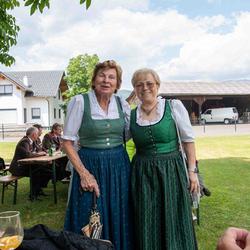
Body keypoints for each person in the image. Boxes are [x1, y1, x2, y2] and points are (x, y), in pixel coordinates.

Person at [62, 60, 133, 250]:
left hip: (119, 166)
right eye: (102, 75)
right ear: (94, 80)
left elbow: (128, 133)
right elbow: (67, 142)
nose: (106, 80)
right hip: (89, 166)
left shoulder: (122, 104)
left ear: (117, 84)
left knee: (119, 212)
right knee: (89, 214)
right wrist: (84, 174)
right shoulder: (80, 102)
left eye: (112, 77)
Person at [130, 68, 198, 250]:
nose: (145, 88)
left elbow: (188, 140)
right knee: (147, 217)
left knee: (174, 215)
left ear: (157, 85)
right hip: (143, 173)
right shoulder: (131, 115)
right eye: (139, 85)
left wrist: (192, 172)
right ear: (135, 89)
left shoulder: (173, 107)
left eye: (149, 83)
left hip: (171, 170)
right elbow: (116, 137)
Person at [9, 127, 51, 200]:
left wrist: (42, 152)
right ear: (34, 134)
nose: (38, 135)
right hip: (18, 168)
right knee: (36, 171)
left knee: (44, 169)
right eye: (37, 134)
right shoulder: (24, 141)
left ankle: (38, 191)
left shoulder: (33, 141)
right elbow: (27, 154)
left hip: (26, 165)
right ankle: (33, 195)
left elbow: (40, 150)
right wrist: (40, 154)